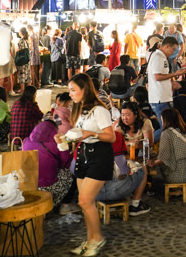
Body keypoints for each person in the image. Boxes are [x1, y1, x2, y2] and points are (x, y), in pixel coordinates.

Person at [68, 74, 115, 256]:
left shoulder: (99, 110)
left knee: (84, 200)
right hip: (83, 155)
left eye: (73, 90)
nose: (71, 94)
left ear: (84, 90)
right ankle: (90, 240)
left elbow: (110, 136)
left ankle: (98, 238)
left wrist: (90, 134)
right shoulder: (80, 109)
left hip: (100, 156)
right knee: (87, 203)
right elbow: (79, 132)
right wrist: (64, 137)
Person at [95, 129, 150, 215]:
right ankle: (135, 205)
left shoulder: (89, 137)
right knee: (141, 169)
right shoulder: (116, 136)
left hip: (93, 193)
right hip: (115, 191)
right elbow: (124, 170)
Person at [23, 119, 74, 209]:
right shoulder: (55, 144)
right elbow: (65, 163)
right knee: (69, 173)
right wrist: (64, 146)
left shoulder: (26, 142)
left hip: (28, 184)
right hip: (47, 186)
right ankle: (61, 204)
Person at [147, 36, 186, 143]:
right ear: (167, 46)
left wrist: (172, 82)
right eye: (173, 49)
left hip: (163, 97)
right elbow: (157, 77)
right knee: (166, 128)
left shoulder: (161, 56)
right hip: (159, 99)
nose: (173, 52)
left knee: (168, 127)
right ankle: (144, 145)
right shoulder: (157, 56)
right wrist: (175, 74)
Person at [147, 108, 186, 184]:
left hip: (179, 176)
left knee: (160, 163)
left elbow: (163, 158)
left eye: (162, 120)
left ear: (166, 121)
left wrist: (152, 163)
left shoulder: (167, 133)